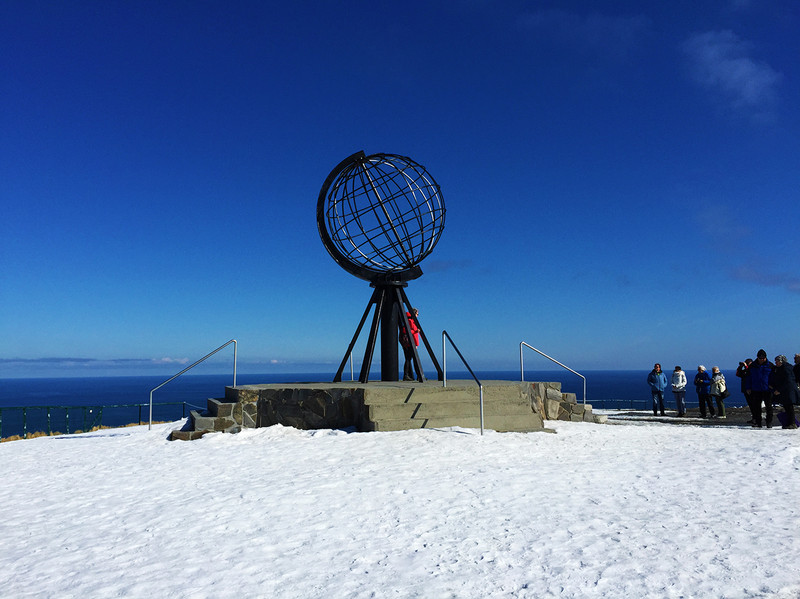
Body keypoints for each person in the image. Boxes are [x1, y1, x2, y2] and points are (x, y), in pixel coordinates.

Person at [744, 349, 774, 428]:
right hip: (756, 389)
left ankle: (769, 422)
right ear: (757, 358)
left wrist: (772, 385)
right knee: (756, 407)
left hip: (767, 389)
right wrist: (748, 387)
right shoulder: (752, 366)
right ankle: (758, 422)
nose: (761, 360)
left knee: (769, 407)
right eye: (760, 358)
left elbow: (774, 377)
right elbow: (748, 378)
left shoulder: (770, 365)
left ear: (765, 358)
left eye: (763, 358)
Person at [770, 355, 798, 429]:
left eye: (777, 361)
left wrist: (779, 390)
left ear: (781, 361)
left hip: (788, 390)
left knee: (789, 407)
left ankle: (792, 423)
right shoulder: (783, 368)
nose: (776, 362)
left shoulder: (786, 368)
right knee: (787, 406)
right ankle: (790, 423)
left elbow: (787, 381)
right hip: (786, 390)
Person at [399, 308, 420, 381]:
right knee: (413, 359)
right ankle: (418, 375)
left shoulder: (406, 319)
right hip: (410, 341)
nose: (417, 316)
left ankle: (406, 375)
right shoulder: (411, 321)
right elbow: (413, 333)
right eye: (417, 314)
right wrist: (416, 344)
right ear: (414, 314)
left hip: (405, 341)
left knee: (408, 358)